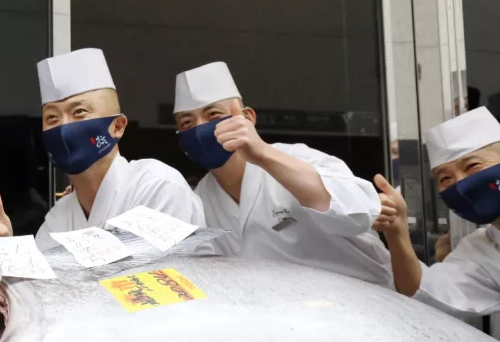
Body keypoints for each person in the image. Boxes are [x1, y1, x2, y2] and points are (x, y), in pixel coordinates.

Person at [173, 61, 392, 286]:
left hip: (362, 303)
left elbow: (358, 216)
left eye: (213, 115)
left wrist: (262, 154)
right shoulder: (200, 201)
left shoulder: (301, 158)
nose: (200, 129)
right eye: (188, 122)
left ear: (247, 118)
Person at [0, 48, 204, 252]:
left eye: (79, 112)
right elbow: (41, 290)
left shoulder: (157, 187)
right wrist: (7, 254)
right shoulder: (60, 215)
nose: (64, 127)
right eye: (52, 117)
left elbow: (156, 287)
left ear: (117, 126)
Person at [372, 107, 500, 316]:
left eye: (473, 166)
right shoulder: (483, 250)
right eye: (445, 179)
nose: (461, 183)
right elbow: (425, 294)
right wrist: (397, 231)